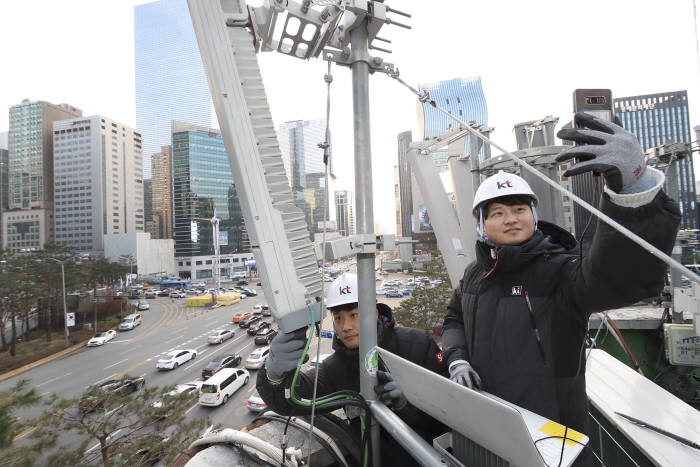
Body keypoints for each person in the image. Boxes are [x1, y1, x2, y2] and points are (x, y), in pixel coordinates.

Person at [442, 112, 680, 465]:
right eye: (496, 213)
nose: (510, 218)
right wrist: (456, 358)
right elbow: (454, 318)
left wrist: (634, 191)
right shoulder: (476, 274)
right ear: (481, 225)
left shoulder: (560, 269)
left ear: (534, 217)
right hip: (489, 432)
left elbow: (616, 279)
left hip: (554, 439)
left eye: (519, 208)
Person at [257, 272, 447, 466]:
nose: (346, 326)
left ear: (374, 313)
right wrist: (272, 375)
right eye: (338, 318)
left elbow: (449, 417)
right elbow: (290, 402)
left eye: (353, 315)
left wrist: (407, 407)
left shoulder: (417, 345)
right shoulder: (336, 368)